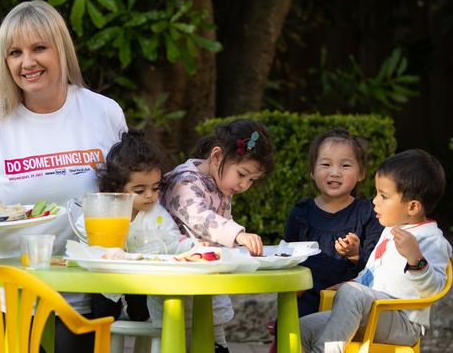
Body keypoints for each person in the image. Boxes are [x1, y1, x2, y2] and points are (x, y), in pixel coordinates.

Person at [0, 0, 127, 353]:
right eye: (15, 52)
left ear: (61, 49)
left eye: (39, 48)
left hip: (85, 290)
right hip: (6, 296)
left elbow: (126, 195)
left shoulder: (103, 112)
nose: (27, 62)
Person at [300, 149, 452, 353]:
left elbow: (435, 290)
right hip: (369, 314)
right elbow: (373, 271)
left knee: (352, 295)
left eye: (384, 196)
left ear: (413, 207)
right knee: (300, 329)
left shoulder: (432, 240)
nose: (374, 201)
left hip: (403, 322)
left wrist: (415, 259)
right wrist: (352, 284)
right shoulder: (390, 230)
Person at [160, 118, 274, 353]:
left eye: (252, 180)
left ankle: (218, 345)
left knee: (214, 327)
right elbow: (201, 218)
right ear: (217, 156)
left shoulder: (219, 184)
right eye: (242, 174)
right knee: (189, 334)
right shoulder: (184, 181)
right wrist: (238, 235)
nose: (244, 185)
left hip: (202, 276)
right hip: (174, 279)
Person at [74, 129, 193, 321]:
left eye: (155, 188)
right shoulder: (105, 209)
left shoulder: (156, 214)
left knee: (142, 314)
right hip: (107, 278)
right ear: (117, 189)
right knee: (104, 316)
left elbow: (173, 240)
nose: (150, 196)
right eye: (140, 190)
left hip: (142, 279)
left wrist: (194, 247)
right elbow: (82, 225)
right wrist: (103, 247)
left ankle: (137, 313)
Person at [284, 129, 383, 317]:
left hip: (351, 303)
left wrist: (355, 254)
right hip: (305, 297)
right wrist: (291, 282)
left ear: (361, 173)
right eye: (326, 164)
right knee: (291, 333)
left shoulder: (369, 213)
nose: (335, 172)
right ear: (312, 171)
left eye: (345, 165)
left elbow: (378, 265)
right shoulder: (301, 213)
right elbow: (286, 255)